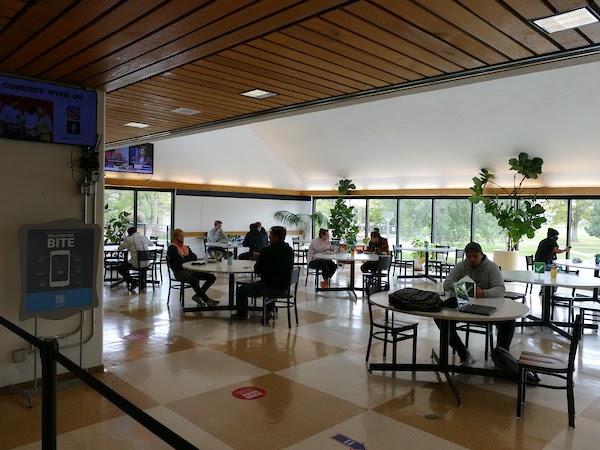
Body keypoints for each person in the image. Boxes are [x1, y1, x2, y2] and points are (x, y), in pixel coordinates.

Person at [438, 242, 510, 367]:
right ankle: (464, 354)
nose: (471, 259)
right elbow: (446, 284)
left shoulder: (491, 267)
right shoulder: (461, 266)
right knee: (441, 319)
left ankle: (502, 359)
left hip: (487, 309)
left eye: (475, 256)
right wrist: (461, 289)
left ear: (482, 255)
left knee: (508, 321)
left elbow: (500, 289)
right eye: (468, 256)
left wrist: (484, 293)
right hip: (464, 307)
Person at [232, 226, 293, 321]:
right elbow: (278, 260)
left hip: (269, 285)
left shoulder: (267, 251)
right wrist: (262, 257)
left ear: (276, 237)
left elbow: (257, 269)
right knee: (273, 282)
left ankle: (242, 314)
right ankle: (269, 311)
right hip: (284, 287)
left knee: (241, 290)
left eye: (271, 235)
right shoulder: (289, 250)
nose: (269, 237)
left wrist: (261, 258)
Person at [167, 228, 219, 307]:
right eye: (180, 236)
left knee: (211, 277)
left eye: (183, 236)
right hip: (179, 271)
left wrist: (184, 257)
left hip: (190, 270)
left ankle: (197, 296)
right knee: (193, 280)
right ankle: (207, 300)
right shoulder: (172, 248)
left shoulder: (186, 247)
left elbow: (194, 257)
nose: (182, 237)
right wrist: (186, 258)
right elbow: (179, 261)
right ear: (174, 237)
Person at [117, 227, 154, 291]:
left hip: (136, 264)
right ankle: (142, 284)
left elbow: (120, 249)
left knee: (120, 268)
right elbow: (151, 244)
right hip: (147, 263)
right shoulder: (144, 237)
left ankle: (132, 281)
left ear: (129, 233)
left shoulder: (128, 239)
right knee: (141, 265)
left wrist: (127, 247)